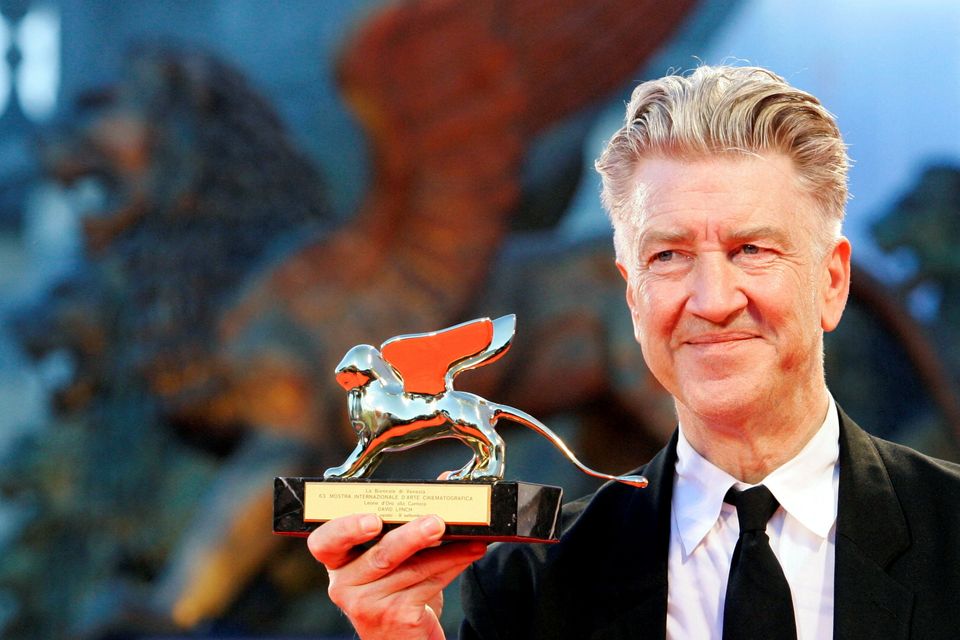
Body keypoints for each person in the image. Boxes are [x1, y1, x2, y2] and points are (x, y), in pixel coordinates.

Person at [306, 65, 960, 639]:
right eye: (669, 255)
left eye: (751, 250)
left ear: (831, 282)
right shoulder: (529, 586)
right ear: (632, 296)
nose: (711, 298)